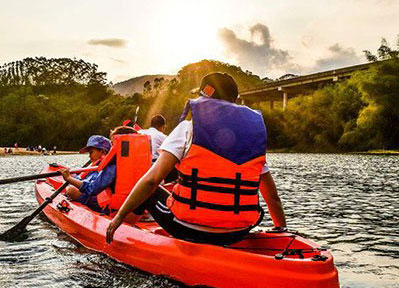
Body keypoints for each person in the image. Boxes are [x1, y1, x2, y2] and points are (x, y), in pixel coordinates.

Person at [106, 72, 287, 246]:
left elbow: (151, 181)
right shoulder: (251, 139)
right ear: (234, 102)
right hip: (237, 232)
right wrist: (281, 229)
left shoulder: (187, 128)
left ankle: (126, 230)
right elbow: (272, 196)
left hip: (189, 228)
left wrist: (118, 217)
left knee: (149, 188)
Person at [58, 135, 113, 212]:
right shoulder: (97, 165)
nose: (89, 156)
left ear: (102, 152)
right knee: (72, 185)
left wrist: (69, 179)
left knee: (71, 190)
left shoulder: (108, 167)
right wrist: (74, 177)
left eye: (91, 152)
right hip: (95, 198)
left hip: (100, 203)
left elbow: (91, 189)